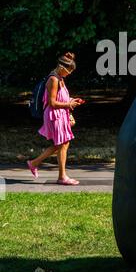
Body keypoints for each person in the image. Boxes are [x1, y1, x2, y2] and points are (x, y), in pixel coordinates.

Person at [27, 52, 83, 185]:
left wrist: (72, 101)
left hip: (60, 114)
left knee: (63, 143)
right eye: (69, 71)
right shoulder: (53, 79)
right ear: (62, 67)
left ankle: (34, 163)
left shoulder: (60, 78)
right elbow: (52, 102)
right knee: (61, 144)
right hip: (54, 115)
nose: (69, 73)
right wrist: (68, 105)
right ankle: (61, 176)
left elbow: (60, 98)